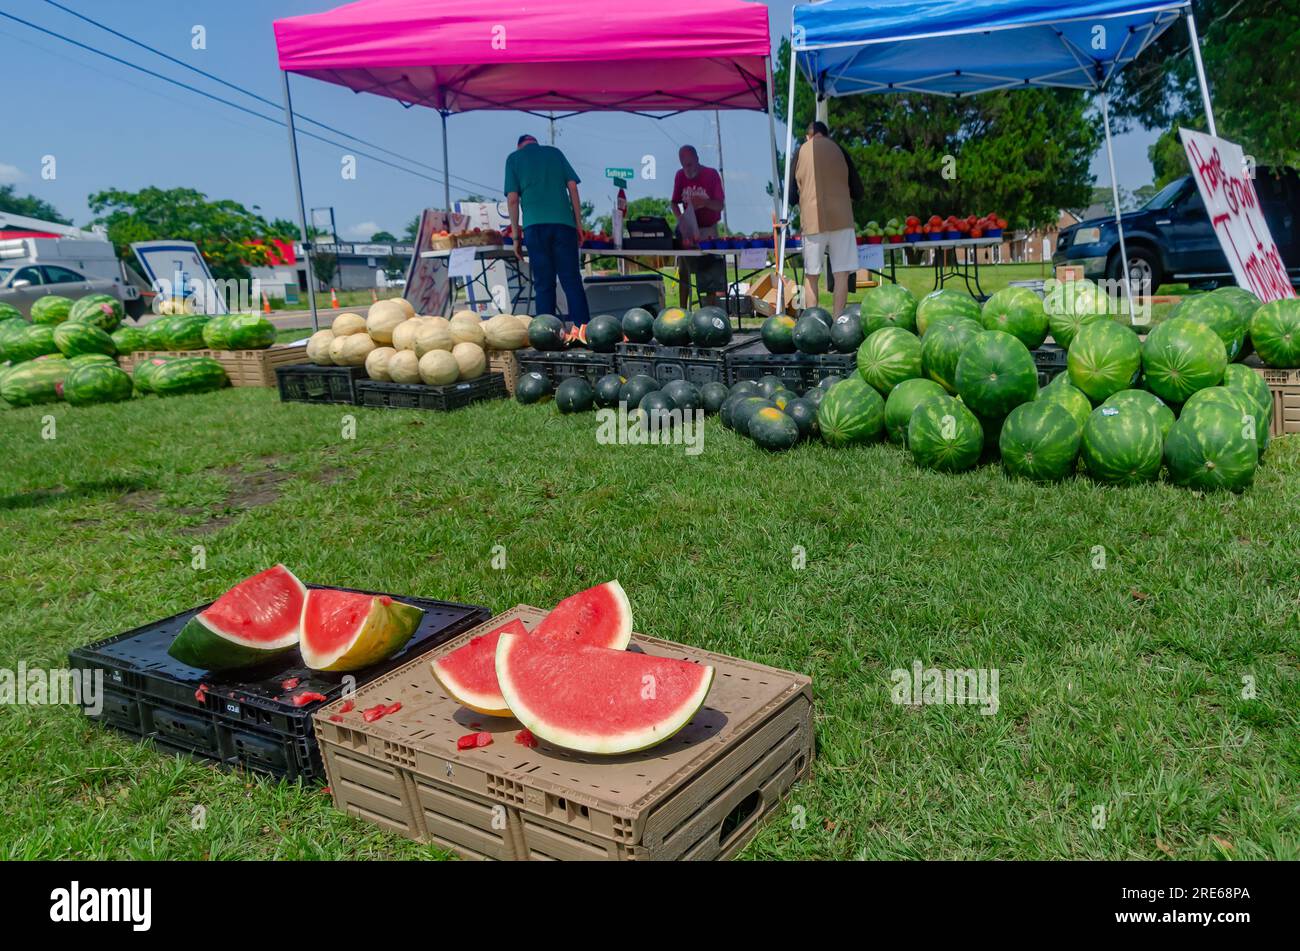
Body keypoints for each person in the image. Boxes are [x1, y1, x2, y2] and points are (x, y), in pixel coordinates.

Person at [504, 134, 590, 325]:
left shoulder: (514, 159)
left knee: (544, 284)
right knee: (572, 281)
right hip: (564, 225)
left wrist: (516, 238)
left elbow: (512, 199)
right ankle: (584, 332)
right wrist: (578, 224)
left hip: (534, 228)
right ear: (536, 142)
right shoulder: (555, 153)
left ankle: (547, 335)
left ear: (520, 147)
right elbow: (573, 187)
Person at [789, 120, 864, 318]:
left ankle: (814, 321)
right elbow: (858, 191)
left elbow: (790, 196)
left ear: (808, 136)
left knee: (812, 275)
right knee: (841, 274)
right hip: (842, 219)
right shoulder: (840, 149)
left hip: (813, 221)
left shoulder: (800, 152)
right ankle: (839, 319)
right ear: (826, 135)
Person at [671, 145, 727, 309]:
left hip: (709, 229)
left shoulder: (711, 175)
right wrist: (681, 218)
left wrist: (703, 202)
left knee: (709, 271)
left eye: (689, 164)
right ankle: (683, 311)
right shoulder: (680, 176)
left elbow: (719, 205)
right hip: (689, 229)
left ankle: (710, 312)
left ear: (697, 159)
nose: (686, 169)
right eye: (683, 165)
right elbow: (674, 202)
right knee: (684, 270)